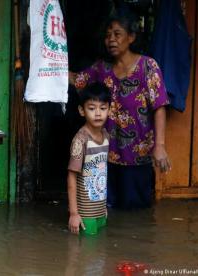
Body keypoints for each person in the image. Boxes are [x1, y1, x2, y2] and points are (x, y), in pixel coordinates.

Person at [70, 13, 171, 209]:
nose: (111, 40)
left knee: (137, 217)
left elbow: (159, 106)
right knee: (106, 211)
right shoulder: (101, 68)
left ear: (131, 37)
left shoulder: (147, 67)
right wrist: (48, 68)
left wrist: (160, 145)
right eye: (108, 36)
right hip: (105, 157)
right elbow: (77, 80)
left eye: (117, 34)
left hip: (138, 158)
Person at [68, 82, 111, 235]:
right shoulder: (81, 140)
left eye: (103, 108)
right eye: (92, 109)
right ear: (82, 110)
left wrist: (102, 206)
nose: (98, 113)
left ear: (109, 110)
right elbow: (72, 176)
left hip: (100, 209)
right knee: (87, 251)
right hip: (85, 214)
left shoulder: (106, 136)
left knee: (99, 252)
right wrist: (74, 213)